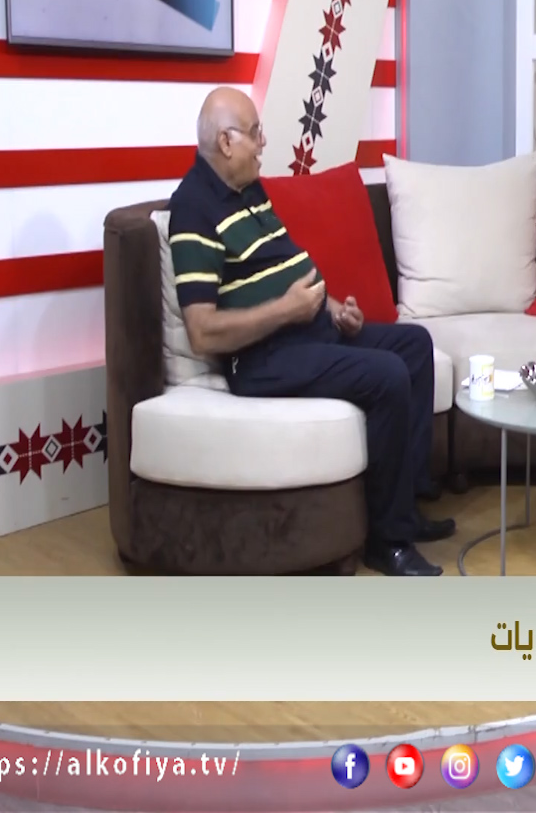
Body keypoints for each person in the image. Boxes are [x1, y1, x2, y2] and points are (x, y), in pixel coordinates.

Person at [167, 86, 454, 576]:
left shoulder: (250, 191)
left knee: (414, 345)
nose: (263, 142)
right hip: (261, 358)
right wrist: (287, 310)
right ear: (226, 141)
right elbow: (203, 332)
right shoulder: (193, 209)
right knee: (387, 374)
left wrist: (335, 308)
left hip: (308, 331)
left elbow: (287, 268)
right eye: (255, 133)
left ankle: (406, 506)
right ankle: (388, 542)